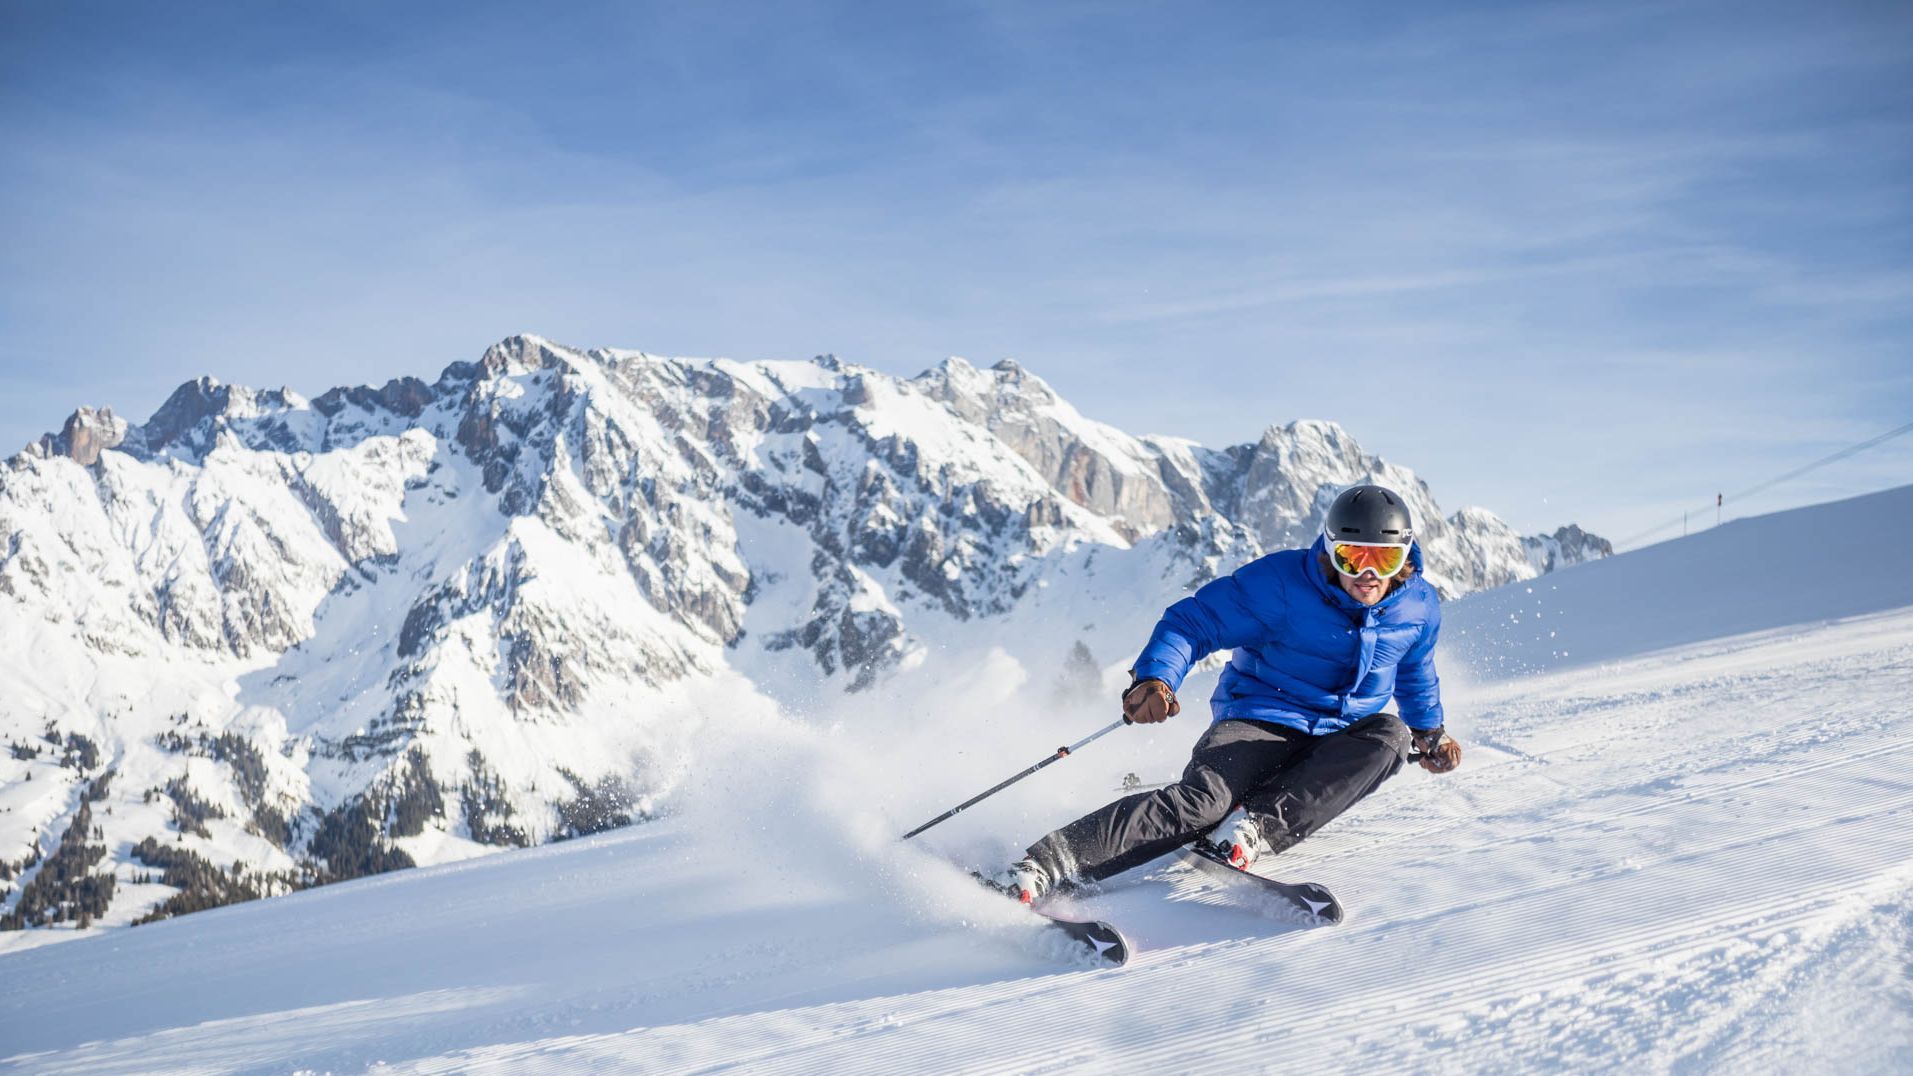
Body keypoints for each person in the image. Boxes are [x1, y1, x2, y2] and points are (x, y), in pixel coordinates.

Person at [986, 483, 1462, 903]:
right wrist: (1156, 678)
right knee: (1200, 803)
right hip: (1260, 720)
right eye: (1352, 557)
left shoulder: (1417, 607)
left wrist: (1431, 732)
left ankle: (1252, 829)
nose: (1368, 574)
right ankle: (1042, 866)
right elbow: (1195, 623)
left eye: (1385, 559)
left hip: (1340, 737)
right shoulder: (1281, 584)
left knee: (1391, 737)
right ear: (1329, 549)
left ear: (1406, 557)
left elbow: (1415, 671)